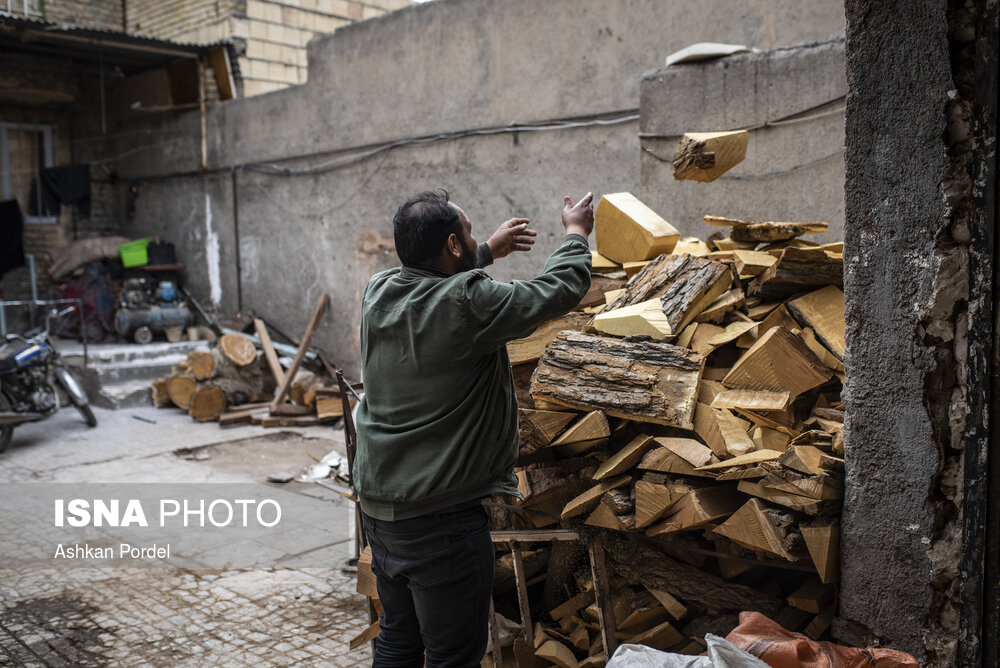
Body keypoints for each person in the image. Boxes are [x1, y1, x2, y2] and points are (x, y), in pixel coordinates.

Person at [354, 189, 594, 666]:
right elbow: (558, 289)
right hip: (439, 520)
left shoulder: (379, 289)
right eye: (467, 232)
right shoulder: (467, 301)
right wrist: (576, 232)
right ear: (452, 245)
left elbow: (437, 280)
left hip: (381, 511)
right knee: (453, 656)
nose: (471, 237)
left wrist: (486, 250)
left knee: (399, 640)